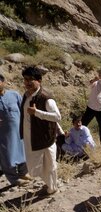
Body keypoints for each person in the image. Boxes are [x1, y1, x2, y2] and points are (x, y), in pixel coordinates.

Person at [20, 67, 61, 195]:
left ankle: (52, 188)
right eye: (25, 79)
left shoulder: (46, 98)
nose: (27, 82)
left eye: (30, 80)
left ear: (39, 80)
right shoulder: (27, 95)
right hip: (31, 136)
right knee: (38, 164)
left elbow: (57, 117)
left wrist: (37, 112)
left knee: (50, 165)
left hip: (44, 137)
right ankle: (48, 184)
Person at [0, 74, 30, 186]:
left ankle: (23, 173)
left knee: (23, 150)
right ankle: (13, 179)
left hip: (19, 130)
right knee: (7, 155)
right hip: (3, 134)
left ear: (3, 82)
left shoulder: (14, 94)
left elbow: (23, 109)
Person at [82, 67, 101, 143]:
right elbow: (87, 84)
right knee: (82, 125)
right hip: (90, 109)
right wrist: (94, 80)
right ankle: (78, 140)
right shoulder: (95, 83)